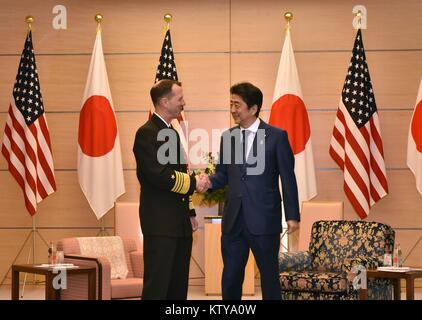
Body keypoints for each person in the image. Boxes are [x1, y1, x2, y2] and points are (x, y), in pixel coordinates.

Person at [201, 82, 300, 300]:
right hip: (234, 219)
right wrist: (208, 182)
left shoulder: (276, 136)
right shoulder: (228, 137)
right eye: (231, 104)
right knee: (231, 277)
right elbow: (223, 175)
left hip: (264, 219)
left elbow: (288, 177)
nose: (233, 110)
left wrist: (292, 215)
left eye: (237, 104)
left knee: (269, 277)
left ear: (253, 108)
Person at [133, 79, 208, 299]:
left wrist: (190, 212)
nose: (183, 103)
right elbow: (160, 176)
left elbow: (179, 172)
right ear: (165, 102)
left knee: (177, 286)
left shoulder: (171, 133)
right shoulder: (147, 133)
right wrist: (195, 183)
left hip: (178, 223)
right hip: (160, 224)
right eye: (180, 98)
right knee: (158, 286)